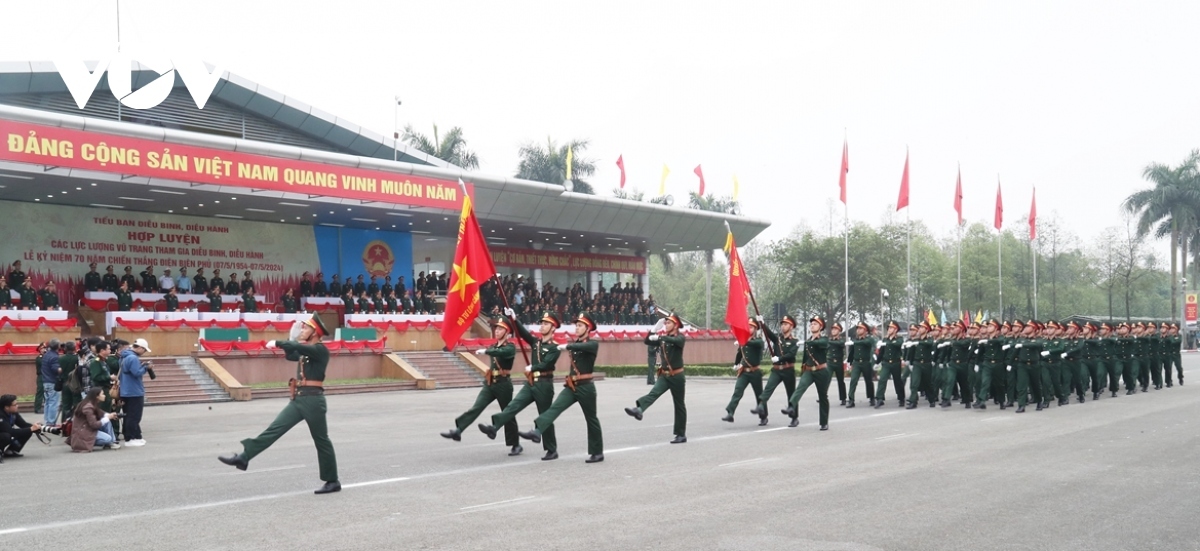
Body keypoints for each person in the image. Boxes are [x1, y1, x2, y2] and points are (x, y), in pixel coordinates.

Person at [218, 316, 341, 494]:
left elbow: (295, 348)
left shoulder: (320, 350)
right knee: (274, 429)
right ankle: (244, 457)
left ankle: (332, 480)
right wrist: (290, 340)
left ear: (316, 333)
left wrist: (280, 342)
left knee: (321, 441)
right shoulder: (307, 350)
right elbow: (292, 355)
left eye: (306, 328)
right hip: (299, 399)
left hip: (314, 401)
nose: (302, 331)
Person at [518, 313, 604, 463]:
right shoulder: (575, 344)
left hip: (586, 387)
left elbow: (584, 346)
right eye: (576, 325)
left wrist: (567, 345)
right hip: (572, 386)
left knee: (591, 419)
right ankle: (537, 431)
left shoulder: (592, 344)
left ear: (588, 328)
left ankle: (597, 452)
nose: (577, 328)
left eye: (580, 326)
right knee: (554, 408)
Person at [479, 310, 561, 461]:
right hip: (531, 383)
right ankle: (494, 427)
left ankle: (551, 449)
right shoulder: (536, 343)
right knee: (513, 406)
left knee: (545, 416)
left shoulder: (554, 347)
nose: (542, 326)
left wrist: (534, 368)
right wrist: (514, 319)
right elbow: (523, 334)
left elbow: (547, 363)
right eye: (542, 323)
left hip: (544, 384)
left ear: (553, 328)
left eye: (546, 324)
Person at [441, 318, 520, 453]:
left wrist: (486, 351)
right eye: (496, 328)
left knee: (507, 414)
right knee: (477, 407)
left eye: (500, 329)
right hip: (490, 383)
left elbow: (502, 353)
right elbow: (495, 351)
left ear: (507, 332)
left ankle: (515, 444)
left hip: (503, 384)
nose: (497, 331)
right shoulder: (493, 346)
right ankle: (458, 430)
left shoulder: (510, 347)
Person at [626, 313, 687, 444]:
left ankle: (681, 434)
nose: (666, 325)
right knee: (654, 393)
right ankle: (639, 410)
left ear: (676, 325)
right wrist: (654, 329)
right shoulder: (663, 338)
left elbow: (675, 341)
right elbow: (647, 341)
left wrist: (660, 336)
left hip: (677, 376)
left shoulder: (680, 338)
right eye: (665, 323)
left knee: (679, 404)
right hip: (664, 375)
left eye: (669, 323)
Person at [783, 316, 832, 430]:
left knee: (823, 396)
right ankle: (791, 406)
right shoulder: (808, 341)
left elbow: (822, 344)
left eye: (815, 324)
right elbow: (805, 357)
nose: (812, 325)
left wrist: (809, 342)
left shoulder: (823, 339)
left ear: (821, 327)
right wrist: (803, 369)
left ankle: (824, 422)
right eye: (811, 324)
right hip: (809, 370)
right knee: (800, 388)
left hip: (821, 371)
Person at [752, 315, 799, 423]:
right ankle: (760, 405)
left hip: (788, 370)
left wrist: (779, 358)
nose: (783, 326)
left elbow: (791, 354)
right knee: (768, 389)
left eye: (785, 324)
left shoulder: (795, 341)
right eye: (782, 324)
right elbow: (768, 334)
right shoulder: (778, 339)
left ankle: (794, 417)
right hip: (777, 370)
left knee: (791, 394)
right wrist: (762, 323)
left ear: (791, 327)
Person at [722, 316, 765, 425]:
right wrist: (736, 364)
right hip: (744, 371)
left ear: (755, 329)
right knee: (737, 391)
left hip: (755, 372)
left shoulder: (758, 341)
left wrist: (743, 341)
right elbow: (740, 353)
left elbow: (755, 344)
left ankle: (763, 416)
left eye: (751, 327)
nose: (749, 329)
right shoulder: (744, 341)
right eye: (748, 327)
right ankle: (730, 413)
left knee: (759, 395)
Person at [119, 338, 151, 446]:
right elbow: (136, 373)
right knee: (134, 416)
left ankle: (136, 436)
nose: (144, 352)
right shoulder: (133, 358)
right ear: (140, 348)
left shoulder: (124, 356)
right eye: (144, 350)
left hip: (126, 390)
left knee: (129, 415)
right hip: (134, 391)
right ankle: (131, 438)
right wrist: (146, 368)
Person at [69, 388, 121, 452]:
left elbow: (101, 413)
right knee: (108, 438)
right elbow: (94, 425)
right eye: (102, 394)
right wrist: (108, 417)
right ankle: (109, 442)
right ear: (97, 396)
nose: (104, 395)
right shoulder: (88, 407)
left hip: (86, 430)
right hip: (83, 434)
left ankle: (112, 443)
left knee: (107, 421)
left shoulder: (90, 403)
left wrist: (111, 415)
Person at [1, 394, 42, 462]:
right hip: (3, 435)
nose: (17, 406)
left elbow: (24, 425)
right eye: (15, 405)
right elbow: (11, 432)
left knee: (27, 431)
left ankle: (11, 451)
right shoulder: (1, 415)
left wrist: (39, 427)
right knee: (6, 436)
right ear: (7, 407)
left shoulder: (13, 413)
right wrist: (31, 429)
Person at [846, 321, 877, 408]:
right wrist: (850, 362)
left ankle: (872, 398)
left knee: (869, 381)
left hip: (866, 362)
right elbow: (852, 351)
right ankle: (851, 399)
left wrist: (855, 342)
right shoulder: (854, 340)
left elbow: (867, 343)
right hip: (856, 363)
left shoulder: (869, 339)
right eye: (858, 328)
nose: (858, 330)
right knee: (853, 380)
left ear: (866, 330)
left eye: (860, 328)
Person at [57, 341, 80, 423]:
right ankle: (75, 423)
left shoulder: (61, 358)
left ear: (65, 349)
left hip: (65, 383)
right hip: (76, 384)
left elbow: (59, 371)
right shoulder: (77, 358)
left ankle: (64, 423)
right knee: (76, 404)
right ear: (75, 348)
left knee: (65, 405)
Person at [41, 338, 61, 426]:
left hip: (45, 381)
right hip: (53, 381)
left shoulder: (46, 355)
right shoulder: (55, 357)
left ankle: (47, 420)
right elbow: (56, 369)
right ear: (58, 346)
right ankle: (51, 421)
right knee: (53, 402)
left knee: (48, 402)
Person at [828, 322, 849, 406]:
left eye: (835, 329)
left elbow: (840, 344)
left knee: (840, 381)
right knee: (826, 380)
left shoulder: (841, 340)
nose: (833, 331)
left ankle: (843, 398)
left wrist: (829, 342)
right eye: (832, 329)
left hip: (838, 363)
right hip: (830, 362)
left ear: (839, 331)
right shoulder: (829, 340)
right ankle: (822, 396)